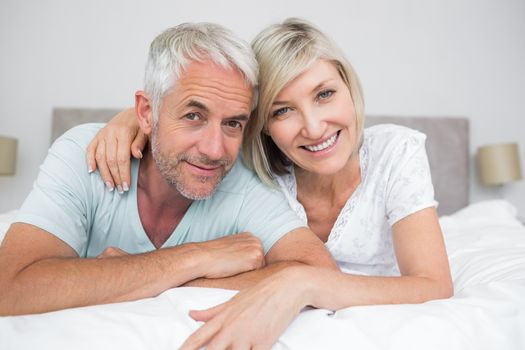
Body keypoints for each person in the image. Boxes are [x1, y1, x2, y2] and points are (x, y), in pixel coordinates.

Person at [86, 18, 454, 349]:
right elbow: (197, 118)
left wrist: (303, 283)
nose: (313, 127)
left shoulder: (395, 153)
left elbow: (434, 286)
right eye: (283, 110)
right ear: (260, 125)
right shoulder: (249, 171)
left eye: (325, 94)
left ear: (349, 86)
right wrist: (129, 122)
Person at [0, 22, 338, 316]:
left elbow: (322, 276)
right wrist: (197, 257)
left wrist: (172, 278)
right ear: (146, 113)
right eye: (194, 116)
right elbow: (10, 288)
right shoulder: (85, 155)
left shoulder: (245, 183)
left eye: (233, 123)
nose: (214, 149)